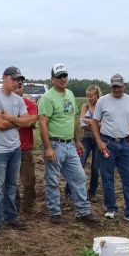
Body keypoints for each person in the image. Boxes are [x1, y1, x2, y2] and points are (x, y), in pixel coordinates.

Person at [37, 63, 98, 226]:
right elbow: (42, 124)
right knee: (52, 179)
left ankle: (83, 212)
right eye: (59, 77)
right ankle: (54, 212)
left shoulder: (70, 94)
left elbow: (73, 119)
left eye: (65, 76)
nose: (63, 79)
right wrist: (48, 147)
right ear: (53, 80)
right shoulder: (47, 98)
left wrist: (77, 140)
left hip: (70, 144)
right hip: (55, 143)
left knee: (79, 177)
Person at [0, 66, 36, 235]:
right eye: (14, 79)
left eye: (18, 80)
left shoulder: (18, 100)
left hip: (15, 148)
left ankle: (11, 216)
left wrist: (9, 117)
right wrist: (17, 121)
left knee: (12, 186)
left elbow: (28, 122)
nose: (16, 83)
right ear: (4, 78)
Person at [90, 74, 129, 224]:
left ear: (124, 86)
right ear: (110, 87)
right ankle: (111, 208)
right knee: (107, 177)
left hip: (125, 145)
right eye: (114, 86)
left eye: (119, 86)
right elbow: (94, 122)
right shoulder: (102, 101)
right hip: (107, 144)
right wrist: (99, 142)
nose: (117, 89)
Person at [15, 82, 38, 213]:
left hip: (25, 148)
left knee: (29, 180)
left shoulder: (31, 104)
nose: (17, 90)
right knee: (11, 182)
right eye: (15, 87)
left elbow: (30, 121)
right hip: (8, 147)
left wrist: (11, 119)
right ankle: (14, 205)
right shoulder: (4, 104)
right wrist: (23, 120)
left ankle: (29, 206)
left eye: (20, 87)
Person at [75, 85, 102, 203]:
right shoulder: (85, 106)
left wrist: (90, 123)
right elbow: (82, 124)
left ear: (97, 95)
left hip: (98, 141)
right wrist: (95, 123)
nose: (89, 98)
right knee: (79, 164)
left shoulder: (101, 106)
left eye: (91, 96)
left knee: (95, 168)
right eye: (87, 96)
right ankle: (71, 190)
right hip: (86, 139)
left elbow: (103, 126)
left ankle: (92, 192)